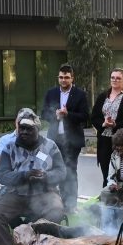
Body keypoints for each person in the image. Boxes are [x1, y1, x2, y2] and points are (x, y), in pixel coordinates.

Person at [0, 109, 66, 245]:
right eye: (21, 128)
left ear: (37, 129)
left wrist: (46, 177)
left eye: (28, 129)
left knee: (57, 210)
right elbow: (2, 175)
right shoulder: (9, 147)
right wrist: (23, 175)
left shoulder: (50, 146)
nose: (23, 132)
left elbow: (61, 172)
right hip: (17, 194)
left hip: (44, 193)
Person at [41, 64, 89, 213]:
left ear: (72, 78)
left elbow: (85, 116)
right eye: (61, 77)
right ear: (58, 78)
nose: (63, 80)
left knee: (70, 171)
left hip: (72, 141)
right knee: (56, 170)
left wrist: (68, 114)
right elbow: (43, 113)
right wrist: (54, 115)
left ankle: (72, 205)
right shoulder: (51, 93)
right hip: (55, 140)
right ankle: (58, 203)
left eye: (67, 77)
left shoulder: (80, 94)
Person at [90, 68, 123, 187]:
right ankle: (106, 202)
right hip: (104, 140)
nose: (115, 80)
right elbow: (94, 117)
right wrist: (103, 124)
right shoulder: (102, 96)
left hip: (121, 141)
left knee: (121, 174)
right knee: (106, 174)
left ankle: (121, 200)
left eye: (118, 78)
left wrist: (116, 125)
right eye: (112, 78)